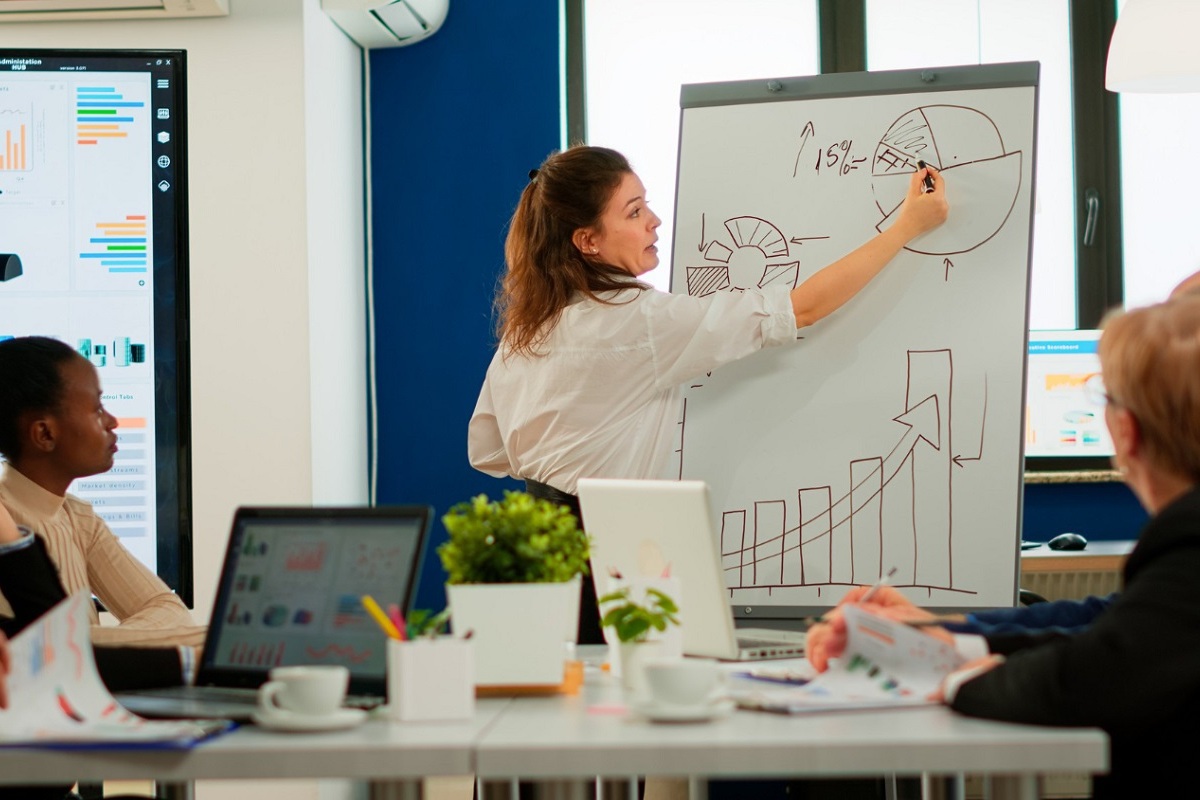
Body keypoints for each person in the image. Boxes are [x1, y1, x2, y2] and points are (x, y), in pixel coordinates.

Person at [469, 144, 948, 644]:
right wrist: (906, 227)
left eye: (646, 203)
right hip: (601, 555)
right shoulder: (639, 321)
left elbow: (489, 452)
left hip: (533, 559)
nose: (654, 221)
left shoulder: (526, 332)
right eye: (634, 212)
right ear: (587, 240)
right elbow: (800, 309)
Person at [806, 290, 1200, 798]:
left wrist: (957, 680)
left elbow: (1092, 676)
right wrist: (942, 637)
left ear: (1124, 431)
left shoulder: (1187, 541)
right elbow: (1112, 627)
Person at [0, 336, 205, 649]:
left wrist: (90, 644)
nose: (112, 421)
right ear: (44, 433)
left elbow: (168, 610)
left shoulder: (79, 519)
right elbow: (44, 651)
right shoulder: (8, 528)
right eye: (97, 409)